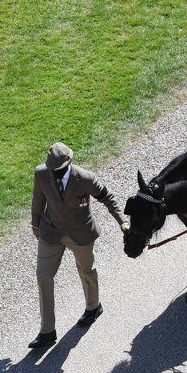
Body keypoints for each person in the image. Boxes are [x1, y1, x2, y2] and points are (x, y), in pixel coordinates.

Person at [28, 142, 128, 349]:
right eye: (52, 170)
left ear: (69, 162)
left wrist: (122, 221)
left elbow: (107, 197)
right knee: (43, 276)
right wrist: (35, 223)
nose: (54, 174)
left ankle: (93, 307)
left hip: (81, 234)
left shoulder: (85, 179)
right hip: (51, 233)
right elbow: (38, 200)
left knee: (86, 270)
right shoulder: (41, 174)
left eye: (59, 170)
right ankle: (47, 332)